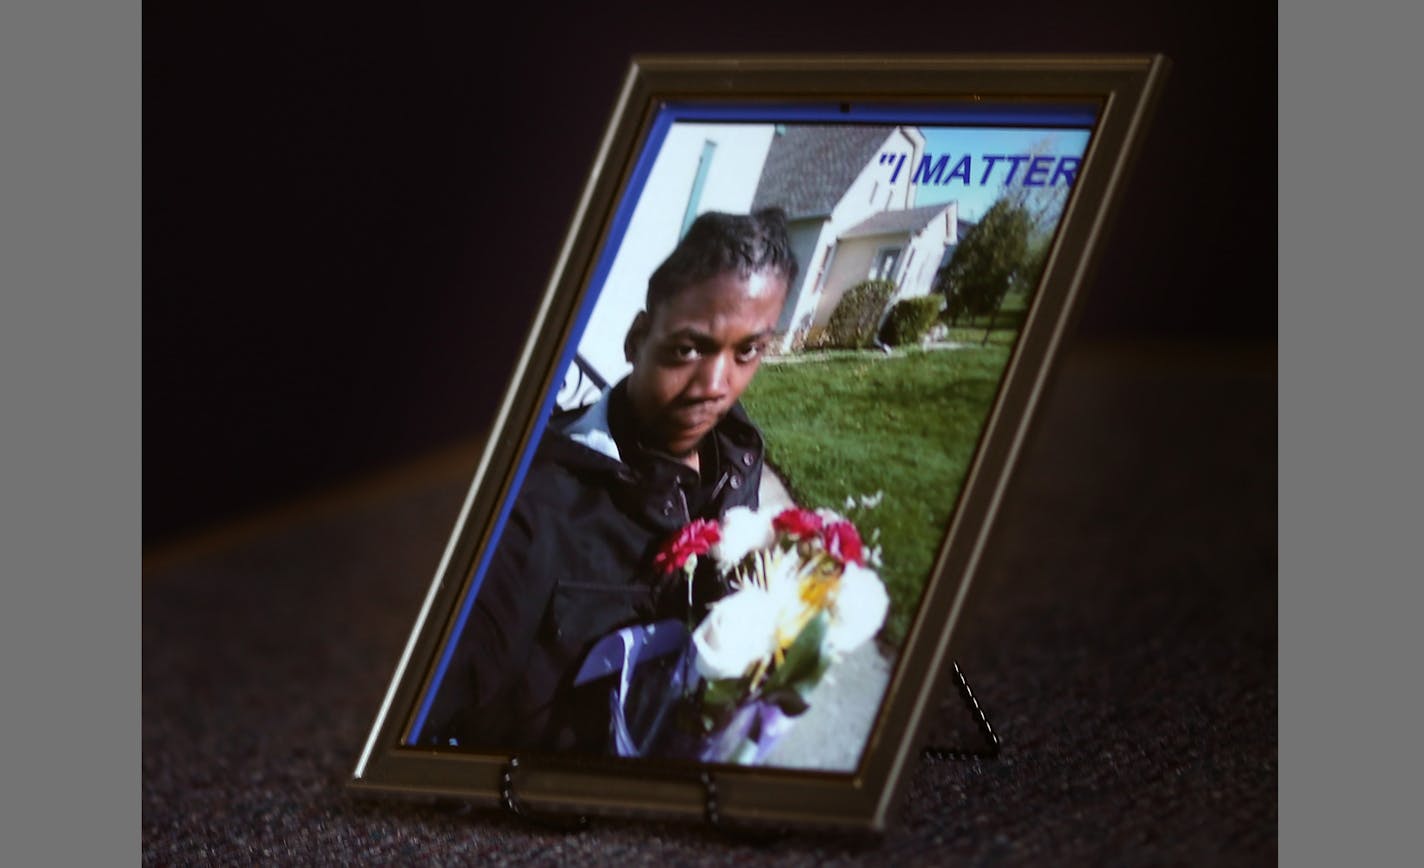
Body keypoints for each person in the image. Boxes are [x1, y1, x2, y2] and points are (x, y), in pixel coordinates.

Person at [421, 209, 799, 754]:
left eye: (747, 351)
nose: (716, 385)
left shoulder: (736, 457)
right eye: (690, 348)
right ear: (637, 338)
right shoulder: (528, 509)